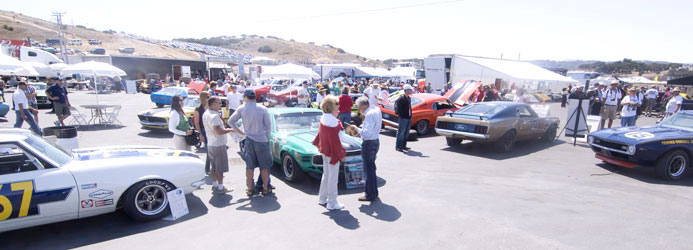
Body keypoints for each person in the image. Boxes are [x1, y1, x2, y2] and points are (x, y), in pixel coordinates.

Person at [228, 90, 273, 196]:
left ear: (246, 97)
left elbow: (231, 121)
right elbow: (268, 126)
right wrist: (267, 138)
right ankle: (265, 188)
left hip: (249, 139)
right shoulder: (262, 108)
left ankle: (249, 189)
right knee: (264, 166)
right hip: (262, 140)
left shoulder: (242, 108)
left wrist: (240, 132)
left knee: (250, 166)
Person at [312, 96, 346, 210]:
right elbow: (340, 139)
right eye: (336, 105)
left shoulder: (324, 118)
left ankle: (322, 198)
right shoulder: (334, 121)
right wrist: (341, 154)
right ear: (331, 107)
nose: (338, 108)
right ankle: (332, 202)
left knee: (326, 175)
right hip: (332, 153)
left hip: (325, 151)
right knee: (332, 177)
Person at [348, 97, 381, 202]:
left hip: (369, 143)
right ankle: (373, 192)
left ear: (362, 106)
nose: (358, 109)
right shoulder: (376, 110)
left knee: (368, 170)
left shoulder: (369, 114)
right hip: (375, 141)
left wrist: (356, 128)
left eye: (358, 107)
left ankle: (370, 194)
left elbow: (366, 133)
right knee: (371, 169)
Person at [203, 96, 238, 194]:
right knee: (220, 168)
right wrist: (231, 130)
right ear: (213, 104)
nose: (221, 105)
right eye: (219, 103)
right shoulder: (214, 116)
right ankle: (220, 187)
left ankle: (215, 185)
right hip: (218, 144)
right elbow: (218, 131)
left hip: (211, 143)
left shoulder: (206, 113)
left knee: (213, 167)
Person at [194, 91, 212, 174]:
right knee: (209, 149)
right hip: (203, 129)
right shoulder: (198, 109)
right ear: (204, 98)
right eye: (208, 97)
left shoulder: (210, 107)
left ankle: (211, 168)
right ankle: (207, 168)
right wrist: (200, 134)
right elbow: (196, 123)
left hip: (211, 128)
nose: (209, 98)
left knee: (212, 149)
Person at [395, 84, 414, 152]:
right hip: (403, 118)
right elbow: (397, 107)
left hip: (408, 117)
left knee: (406, 132)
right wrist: (401, 114)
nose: (410, 91)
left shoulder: (409, 98)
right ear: (406, 90)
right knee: (401, 132)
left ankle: (403, 145)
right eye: (409, 90)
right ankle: (398, 146)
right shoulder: (401, 98)